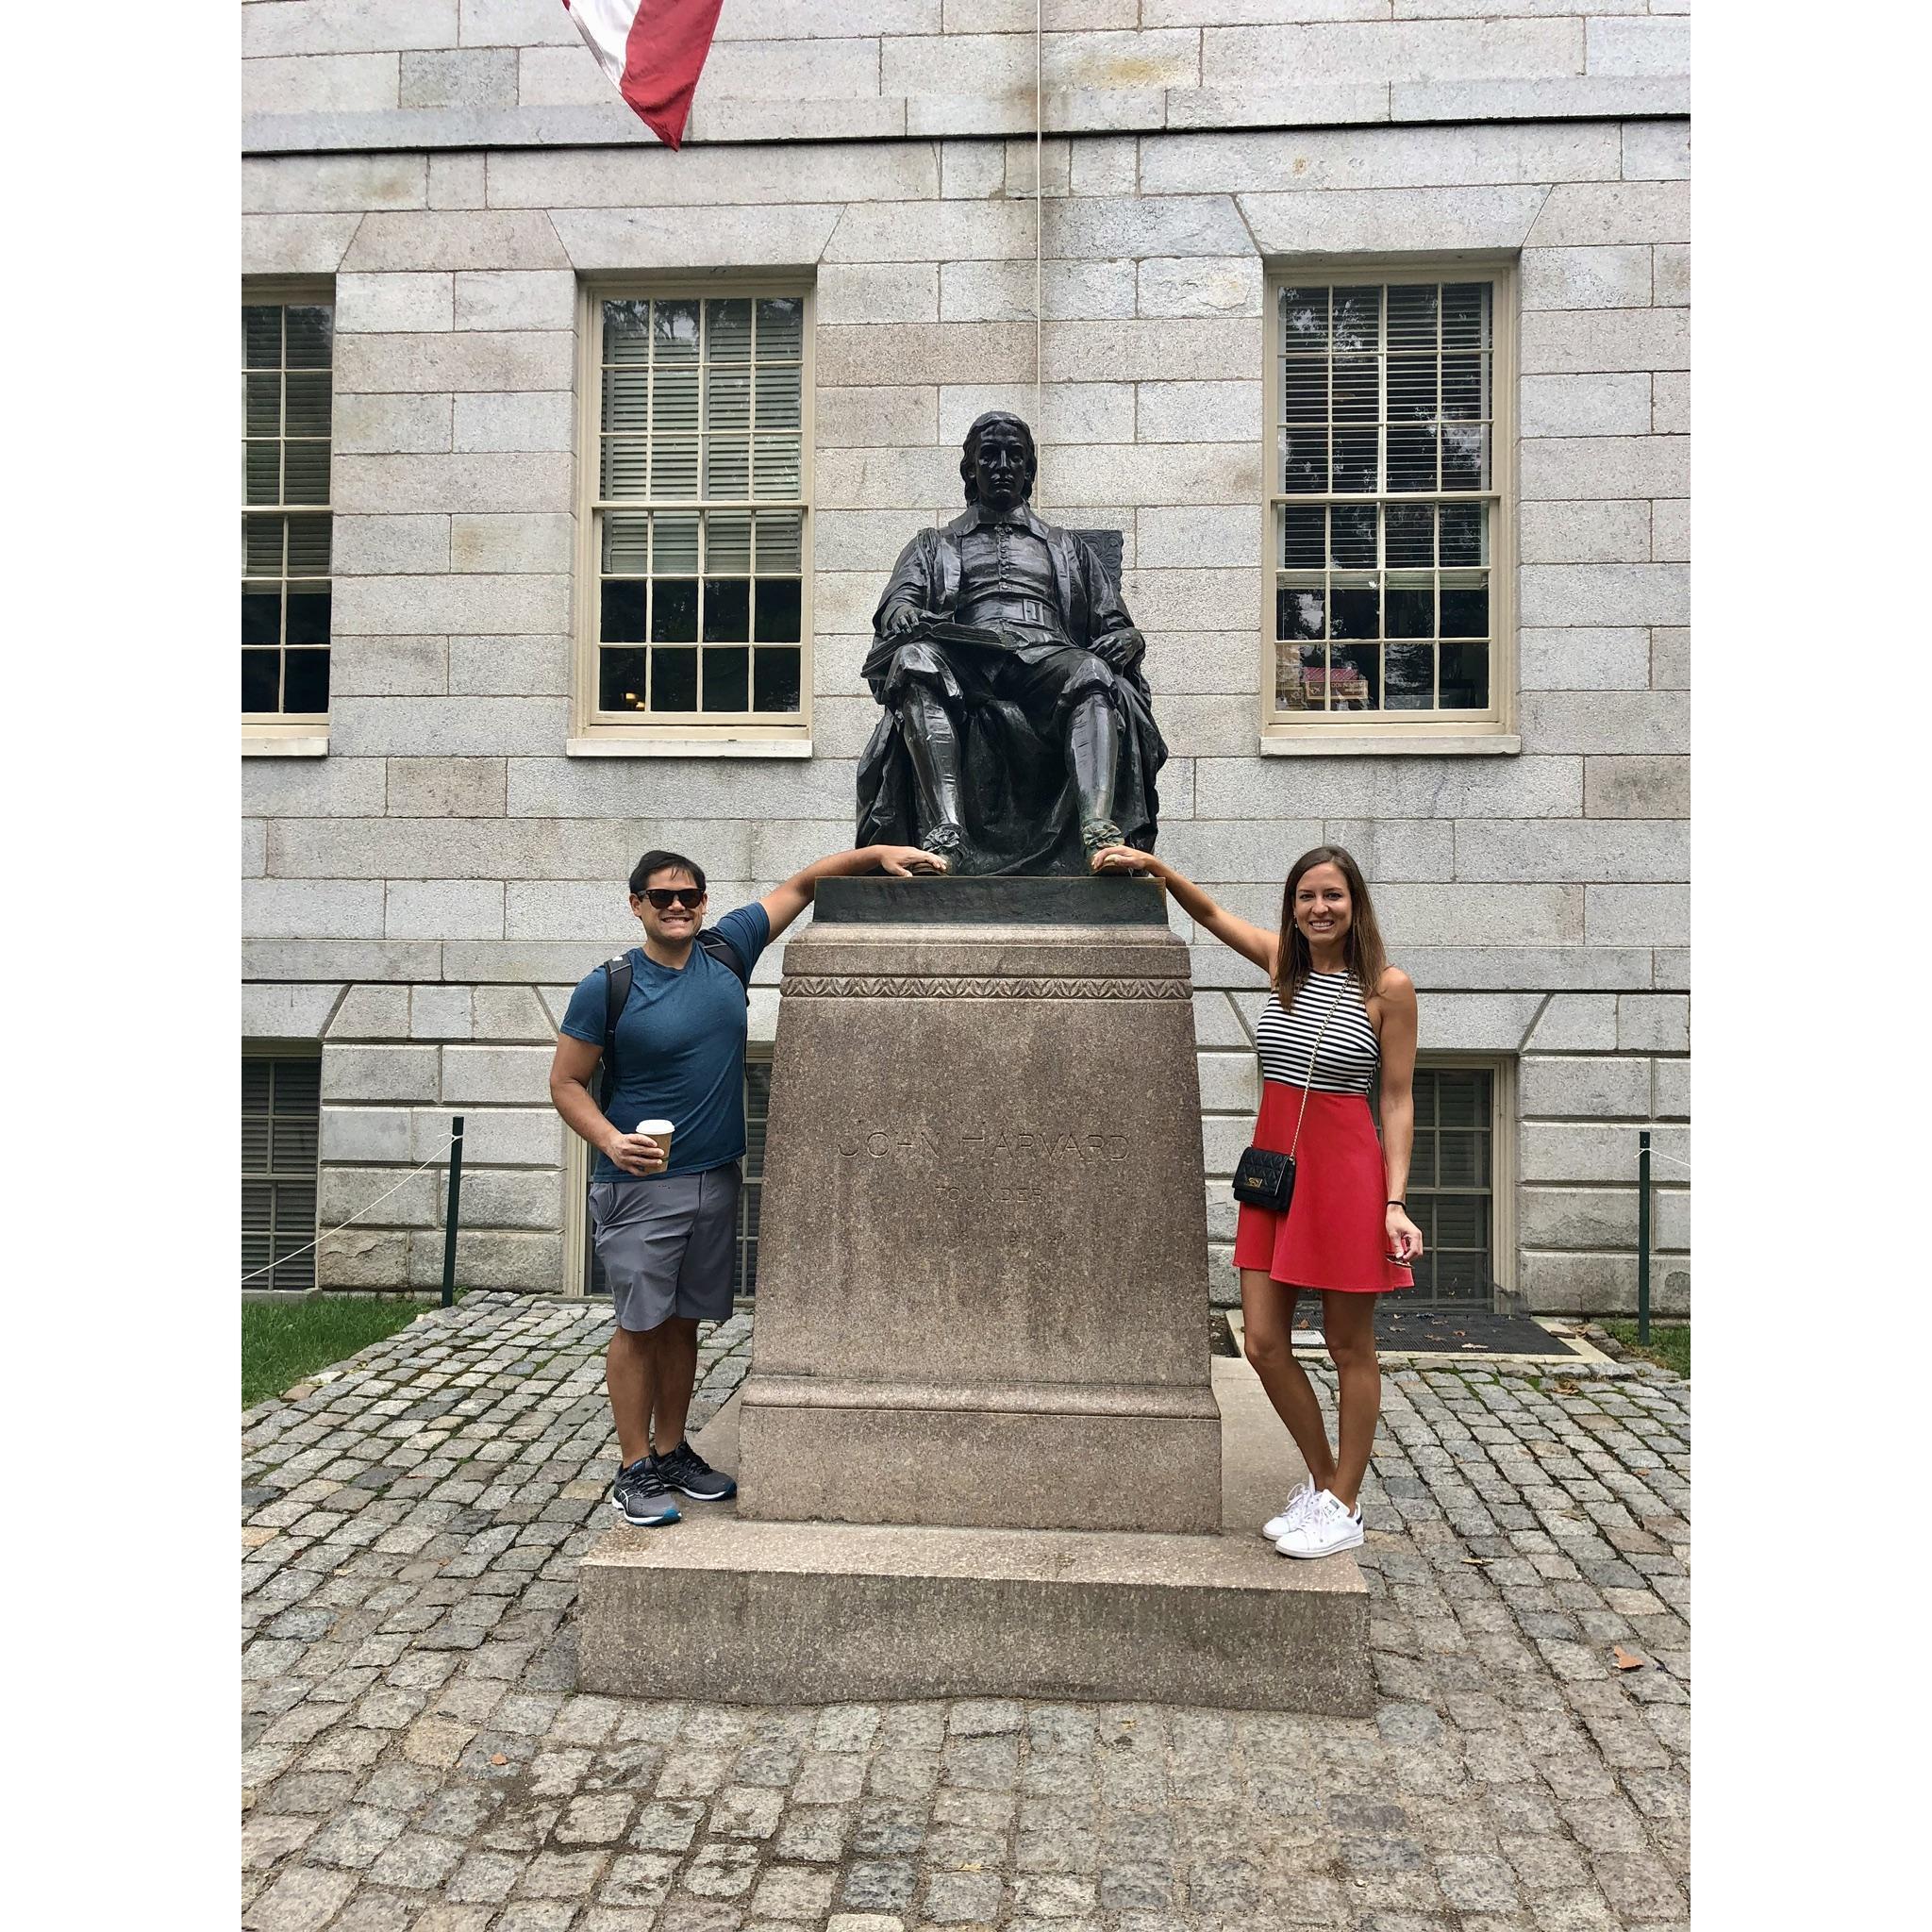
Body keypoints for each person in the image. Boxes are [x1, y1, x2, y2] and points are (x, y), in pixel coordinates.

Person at [549, 840, 943, 1527]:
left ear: (704, 903)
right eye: (662, 897)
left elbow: (804, 883)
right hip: (640, 1184)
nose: (677, 907)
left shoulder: (729, 948)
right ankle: (633, 1467)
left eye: (690, 896)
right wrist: (610, 1139)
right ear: (636, 904)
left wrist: (877, 853)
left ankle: (672, 1451)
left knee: (682, 1322)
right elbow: (566, 1082)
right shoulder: (608, 985)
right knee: (640, 1325)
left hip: (715, 1177)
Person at [1091, 840, 1424, 1559]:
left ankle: (1343, 1501)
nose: (1319, 907)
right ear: (1293, 906)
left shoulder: (1387, 988)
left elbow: (1396, 1101)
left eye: (1332, 895)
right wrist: (1158, 871)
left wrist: (1394, 1201)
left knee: (1347, 1345)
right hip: (1276, 1172)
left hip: (1347, 1178)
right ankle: (1323, 1483)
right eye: (1306, 896)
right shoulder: (1284, 967)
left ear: (1355, 903)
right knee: (1266, 1344)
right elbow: (1209, 913)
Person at [855, 409, 1167, 874]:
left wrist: (1130, 638)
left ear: (1029, 470)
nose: (1002, 465)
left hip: (1046, 656)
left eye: (1014, 456)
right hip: (964, 656)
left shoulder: (1067, 546)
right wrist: (901, 611)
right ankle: (946, 831)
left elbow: (1115, 623)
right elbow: (900, 600)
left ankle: (1098, 831)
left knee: (1093, 672)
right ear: (970, 469)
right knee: (913, 659)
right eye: (989, 456)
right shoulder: (932, 544)